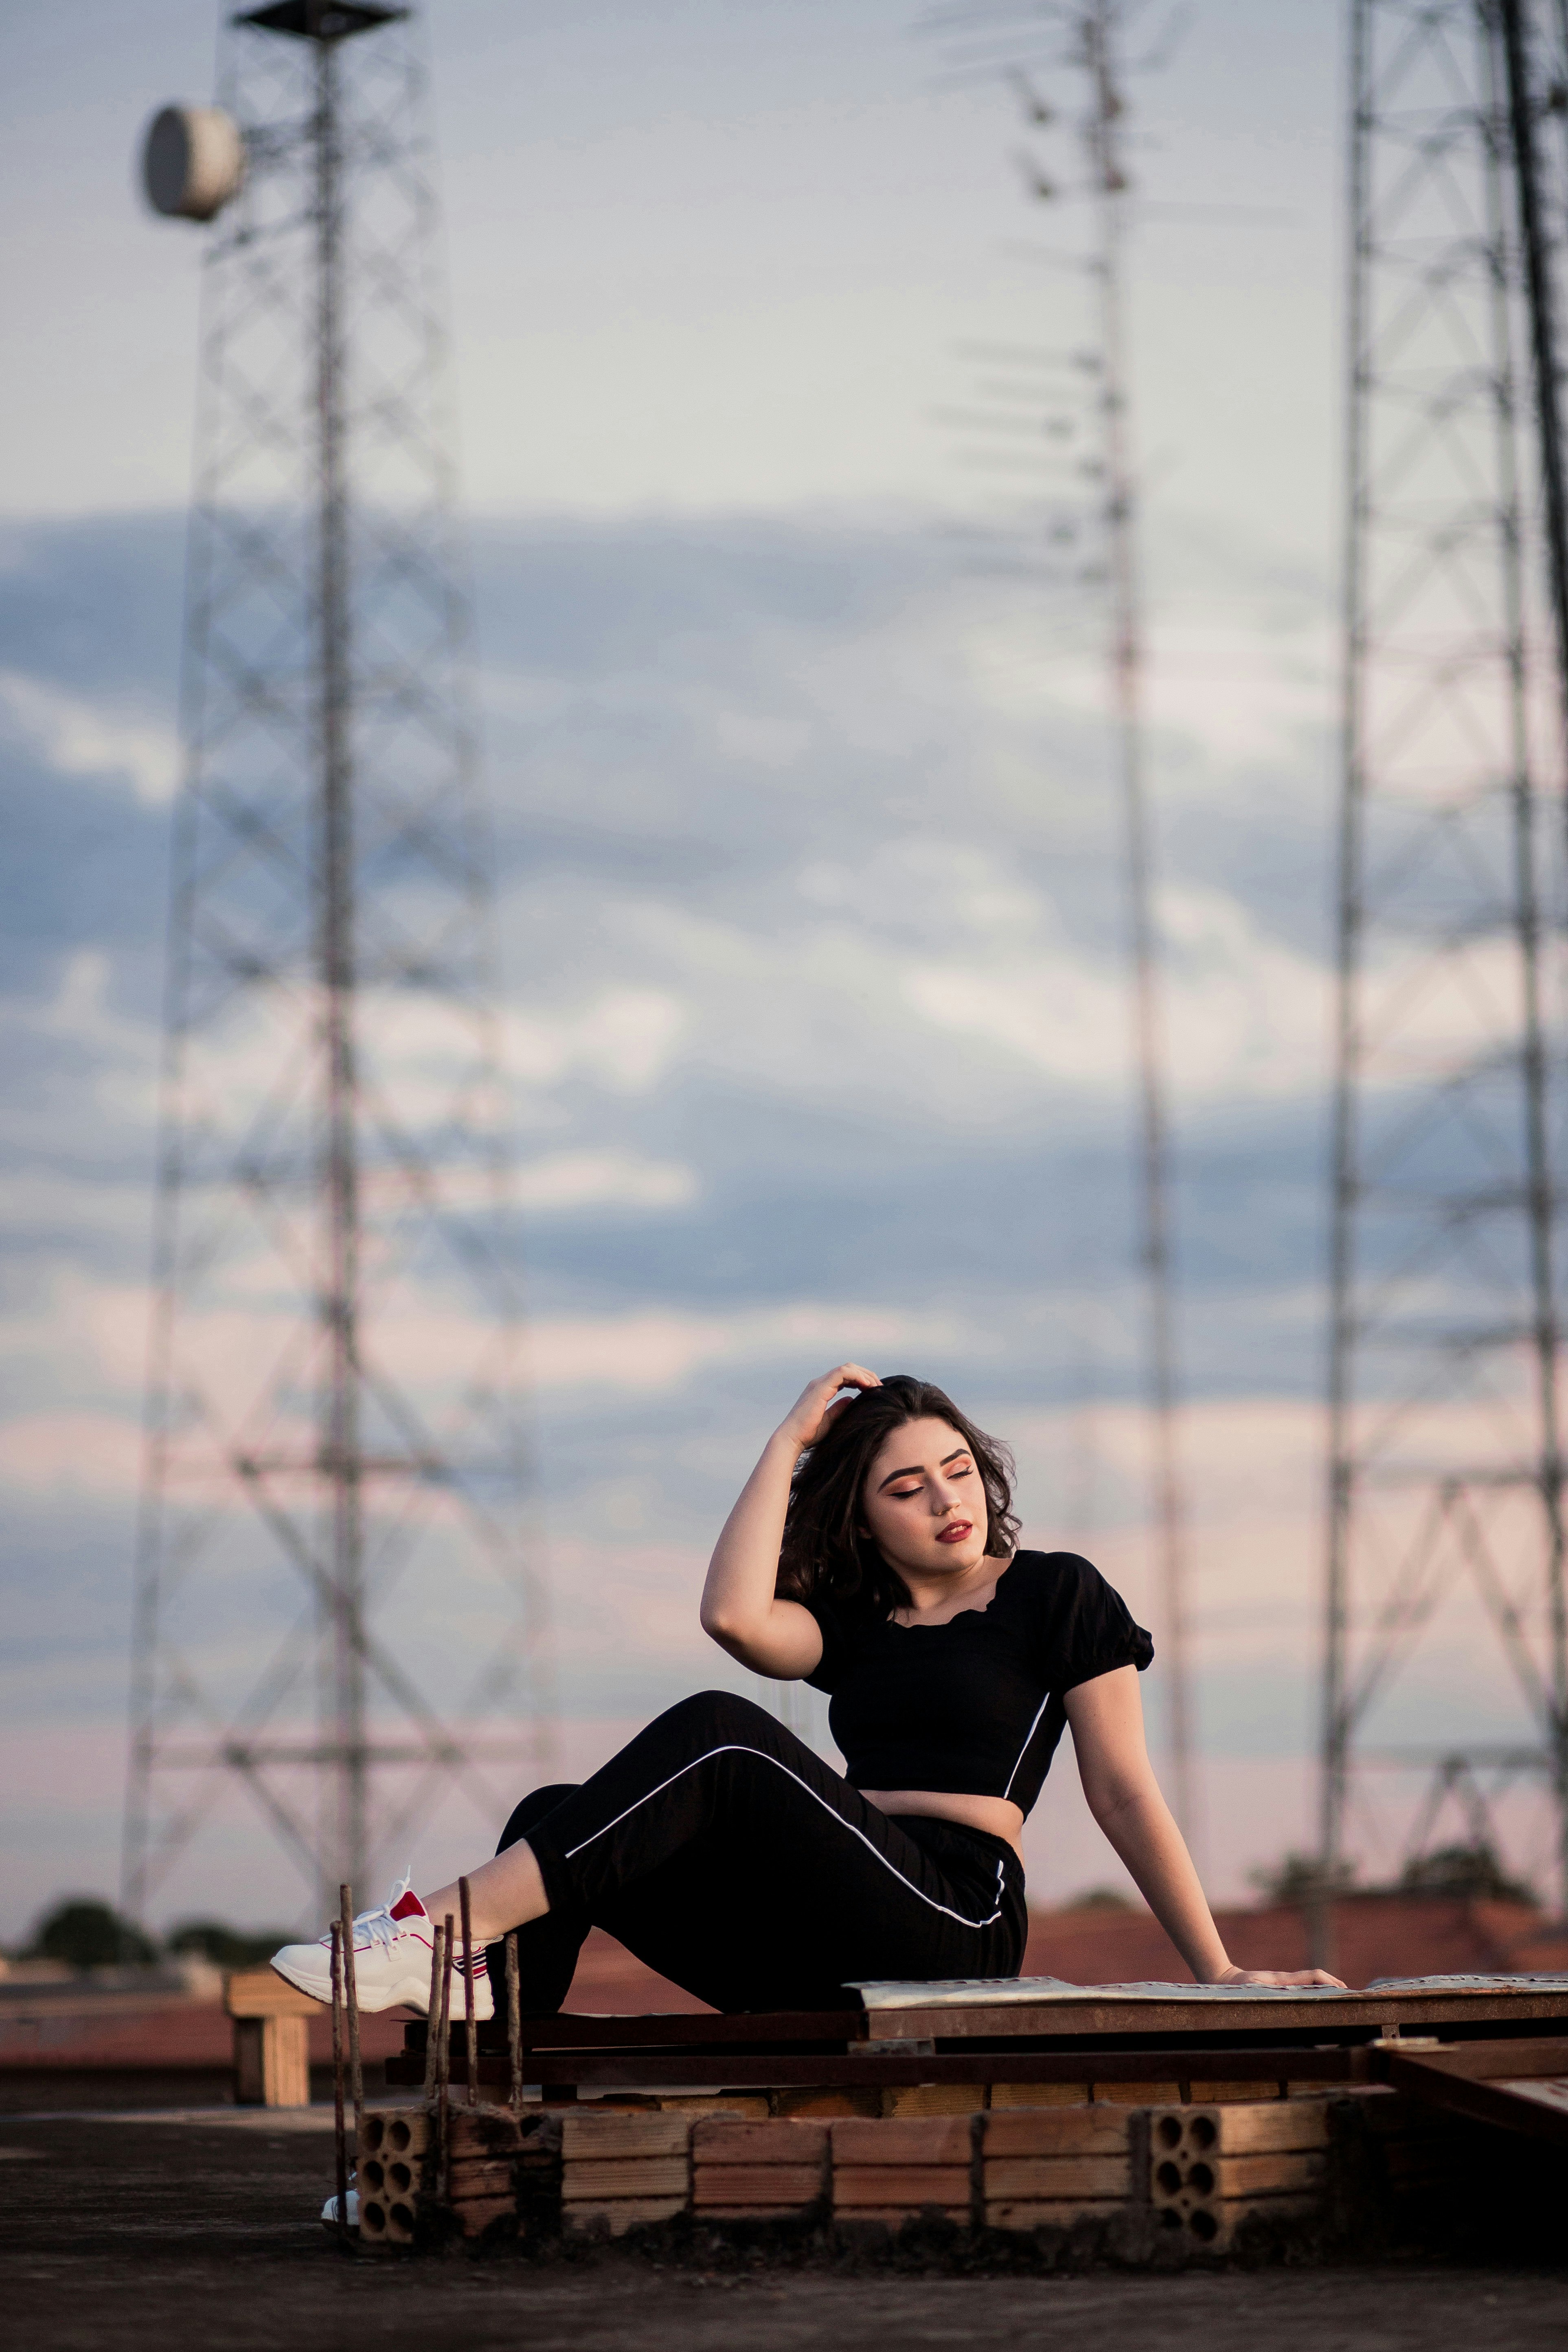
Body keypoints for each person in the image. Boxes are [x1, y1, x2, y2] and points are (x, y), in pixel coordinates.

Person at [271, 1365, 1343, 2015]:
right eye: (905, 1486)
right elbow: (734, 1617)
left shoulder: (1055, 1594)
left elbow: (1122, 1792)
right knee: (552, 1817)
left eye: (957, 1469)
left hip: (951, 1918)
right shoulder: (853, 1623)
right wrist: (787, 1440)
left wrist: (1214, 1968)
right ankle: (464, 2134)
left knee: (723, 1737)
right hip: (820, 1933)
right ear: (863, 1515)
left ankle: (432, 1928)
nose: (944, 1500)